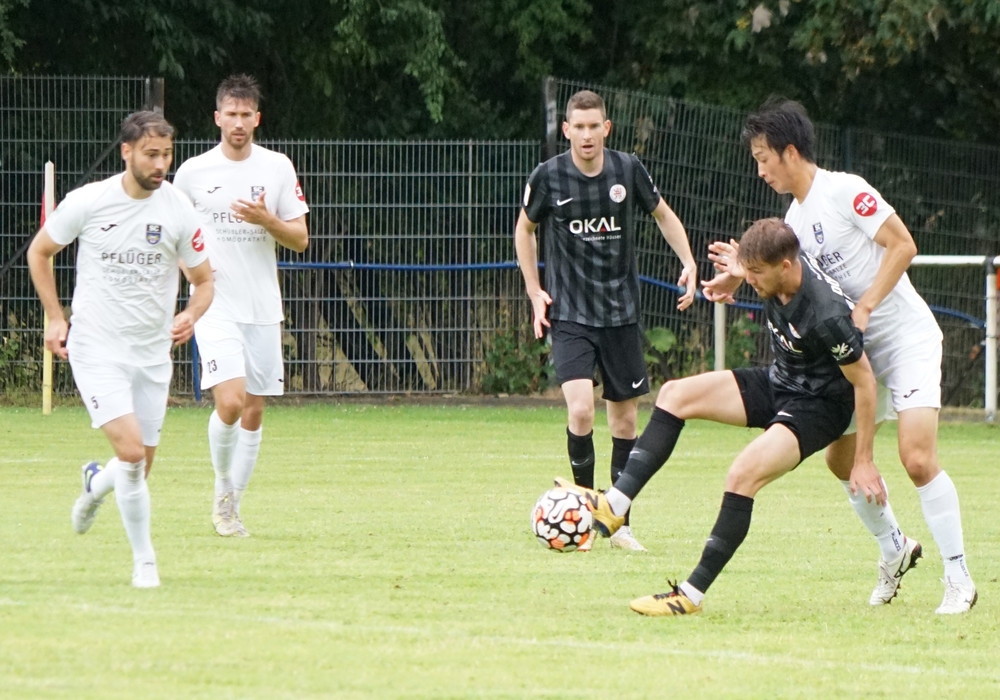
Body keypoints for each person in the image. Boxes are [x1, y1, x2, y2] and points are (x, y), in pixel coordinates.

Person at [704, 97, 976, 614]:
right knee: (841, 461)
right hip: (854, 354)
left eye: (763, 158)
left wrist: (866, 306)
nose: (760, 170)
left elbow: (903, 245)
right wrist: (740, 276)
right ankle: (895, 548)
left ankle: (958, 577)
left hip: (905, 340)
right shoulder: (793, 218)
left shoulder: (845, 190)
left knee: (917, 458)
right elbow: (786, 273)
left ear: (789, 151)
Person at [566, 217, 884, 615]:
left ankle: (690, 595)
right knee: (675, 394)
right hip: (781, 381)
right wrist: (736, 273)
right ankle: (615, 504)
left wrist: (863, 459)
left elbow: (865, 383)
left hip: (817, 407)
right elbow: (753, 269)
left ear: (785, 266)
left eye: (756, 272)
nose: (751, 280)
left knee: (741, 475)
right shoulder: (777, 271)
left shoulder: (827, 315)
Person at [27, 111, 214, 588]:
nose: (161, 164)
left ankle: (95, 484)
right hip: (97, 349)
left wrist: (192, 314)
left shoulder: (178, 209)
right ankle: (144, 562)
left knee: (139, 467)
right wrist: (56, 317)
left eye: (167, 155)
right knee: (131, 453)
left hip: (152, 355)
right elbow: (39, 252)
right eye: (151, 154)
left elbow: (204, 280)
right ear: (126, 151)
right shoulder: (89, 201)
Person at [514, 89, 698, 551]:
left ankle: (619, 523)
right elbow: (525, 230)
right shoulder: (548, 176)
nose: (587, 134)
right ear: (567, 130)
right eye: (579, 127)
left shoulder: (627, 170)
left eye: (594, 126)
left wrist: (689, 261)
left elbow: (663, 215)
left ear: (606, 128)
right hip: (570, 314)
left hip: (620, 314)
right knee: (580, 409)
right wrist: (535, 290)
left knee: (624, 422)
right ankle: (580, 512)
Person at [173, 74, 309, 537]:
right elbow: (175, 234)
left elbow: (301, 239)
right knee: (229, 402)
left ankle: (231, 508)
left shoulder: (277, 167)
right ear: (217, 117)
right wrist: (188, 277)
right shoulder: (192, 172)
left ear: (257, 119)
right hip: (215, 303)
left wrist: (266, 219)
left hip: (263, 307)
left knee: (253, 409)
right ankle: (221, 487)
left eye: (245, 114)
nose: (238, 122)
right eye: (230, 114)